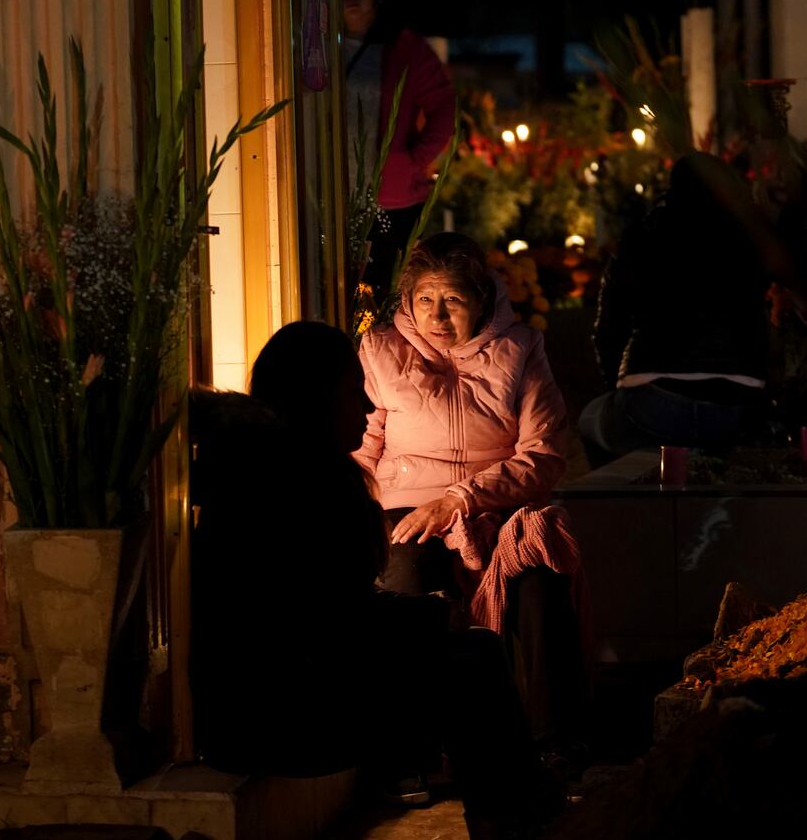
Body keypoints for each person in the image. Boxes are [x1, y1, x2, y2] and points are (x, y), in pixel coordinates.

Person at [190, 321, 559, 837]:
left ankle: (515, 815)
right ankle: (515, 821)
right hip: (278, 717)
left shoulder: (265, 468)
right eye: (352, 392)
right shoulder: (299, 485)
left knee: (471, 654)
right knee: (472, 664)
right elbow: (331, 624)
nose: (367, 409)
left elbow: (327, 611)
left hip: (253, 707)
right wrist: (432, 616)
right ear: (315, 397)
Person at [355, 232, 588, 764]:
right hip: (408, 510)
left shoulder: (522, 348)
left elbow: (545, 454)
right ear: (408, 302)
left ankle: (555, 747)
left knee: (539, 573)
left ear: (482, 299)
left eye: (454, 300)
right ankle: (410, 755)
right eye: (425, 300)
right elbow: (361, 449)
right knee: (409, 583)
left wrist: (461, 499)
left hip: (498, 510)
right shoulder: (381, 350)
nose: (438, 316)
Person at [579, 154, 771, 466]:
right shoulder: (747, 239)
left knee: (591, 420)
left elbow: (608, 328)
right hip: (737, 401)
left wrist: (619, 386)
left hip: (652, 398)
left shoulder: (642, 236)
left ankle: (624, 508)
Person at [341, 0, 457, 300]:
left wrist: (411, 159)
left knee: (384, 291)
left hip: (390, 197)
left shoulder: (405, 48)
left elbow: (443, 107)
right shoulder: (314, 47)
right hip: (332, 193)